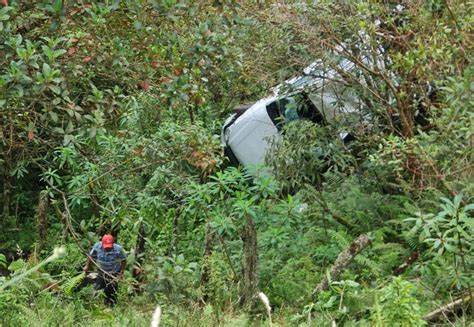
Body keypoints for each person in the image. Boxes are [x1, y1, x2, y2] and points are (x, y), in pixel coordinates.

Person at [83, 234, 126, 305]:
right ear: (102, 243)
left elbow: (124, 260)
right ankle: (96, 305)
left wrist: (121, 273)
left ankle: (111, 307)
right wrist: (87, 266)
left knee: (111, 292)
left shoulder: (118, 249)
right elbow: (91, 256)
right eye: (106, 247)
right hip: (101, 272)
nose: (107, 249)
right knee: (97, 289)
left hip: (113, 273)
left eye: (109, 247)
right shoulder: (97, 246)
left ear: (113, 244)